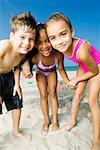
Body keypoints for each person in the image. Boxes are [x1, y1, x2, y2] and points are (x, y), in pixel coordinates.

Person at [46, 13, 100, 150]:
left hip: (96, 66)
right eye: (53, 38)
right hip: (84, 64)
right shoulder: (59, 49)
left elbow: (94, 71)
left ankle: (97, 140)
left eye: (63, 34)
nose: (59, 41)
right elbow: (61, 68)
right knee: (77, 96)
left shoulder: (81, 51)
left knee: (92, 100)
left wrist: (76, 79)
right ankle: (72, 122)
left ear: (72, 31)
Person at [22, 23, 69, 132]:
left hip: (52, 72)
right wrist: (27, 70)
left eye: (48, 40)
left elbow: (61, 69)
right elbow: (25, 63)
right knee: (43, 94)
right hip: (41, 73)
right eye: (39, 43)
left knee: (52, 93)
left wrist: (67, 81)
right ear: (34, 45)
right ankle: (46, 120)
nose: (45, 46)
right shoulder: (35, 57)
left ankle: (55, 120)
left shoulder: (58, 55)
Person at [0, 12, 36, 140]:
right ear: (12, 36)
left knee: (17, 102)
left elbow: (16, 67)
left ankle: (16, 131)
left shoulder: (23, 53)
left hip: (9, 76)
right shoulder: (5, 45)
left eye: (31, 39)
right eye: (22, 37)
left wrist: (16, 84)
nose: (27, 43)